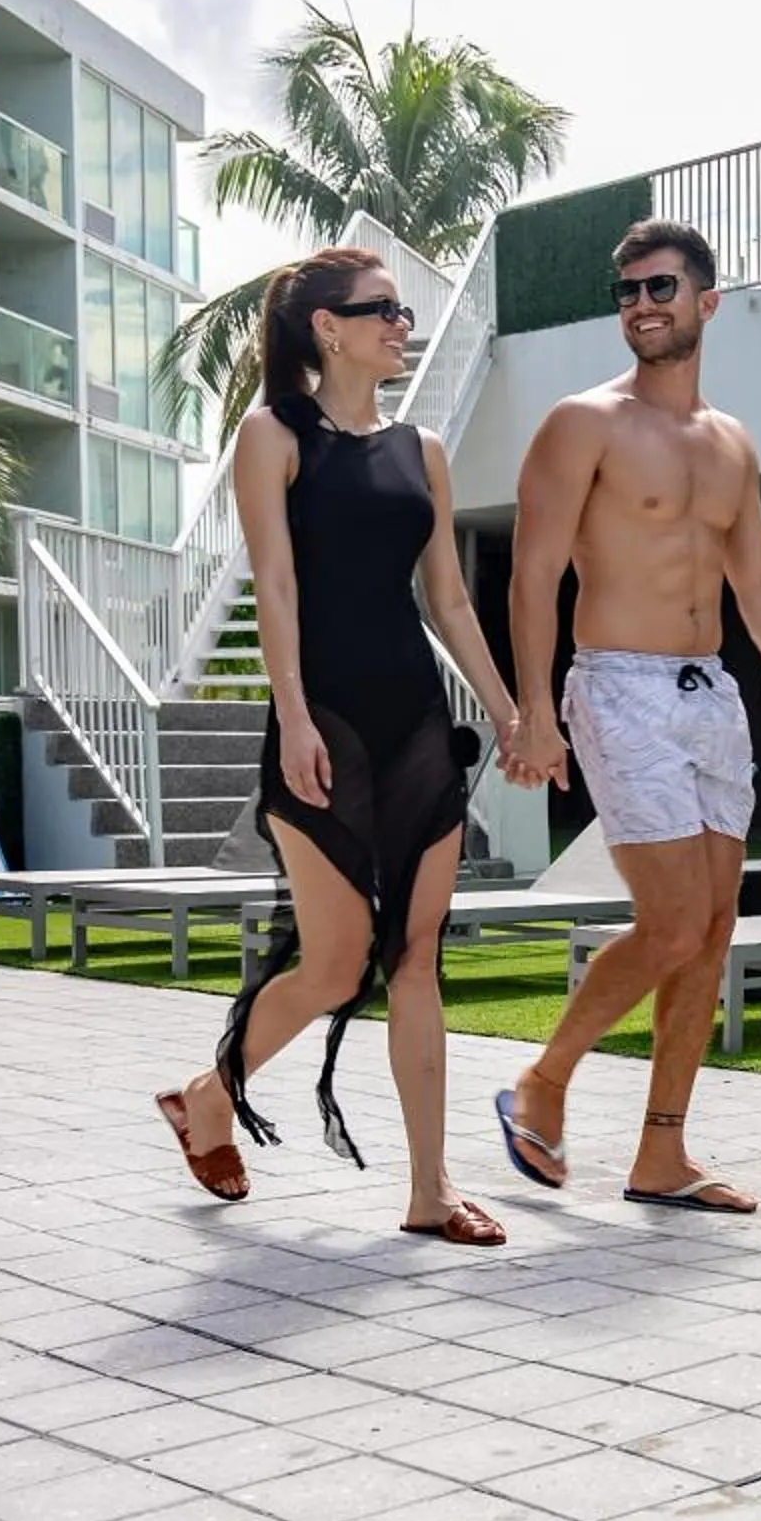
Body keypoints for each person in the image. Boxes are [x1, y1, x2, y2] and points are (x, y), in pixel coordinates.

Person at [157, 244, 520, 1246]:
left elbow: (445, 598)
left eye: (404, 313)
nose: (402, 326)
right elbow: (274, 584)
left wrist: (507, 709)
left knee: (414, 959)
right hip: (323, 725)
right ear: (327, 325)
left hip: (412, 726)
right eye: (384, 311)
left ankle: (428, 1190)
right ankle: (205, 1094)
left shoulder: (424, 452)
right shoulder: (273, 436)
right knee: (331, 966)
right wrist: (296, 713)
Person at [496, 217, 761, 1216]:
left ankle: (662, 1153)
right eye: (626, 293)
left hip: (710, 692)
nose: (640, 307)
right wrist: (534, 708)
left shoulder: (729, 442)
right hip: (615, 684)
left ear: (706, 301)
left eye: (659, 289)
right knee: (670, 921)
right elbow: (531, 572)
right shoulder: (584, 423)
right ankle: (543, 1080)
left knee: (710, 930)